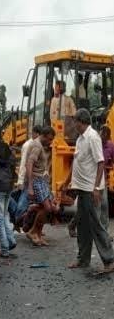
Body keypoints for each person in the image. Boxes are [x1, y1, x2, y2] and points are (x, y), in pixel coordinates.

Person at [61, 109, 114, 272]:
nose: (73, 125)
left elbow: (100, 163)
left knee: (96, 225)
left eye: (75, 121)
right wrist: (66, 181)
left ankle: (109, 261)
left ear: (81, 121)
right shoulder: (80, 139)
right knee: (83, 226)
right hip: (82, 190)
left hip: (92, 190)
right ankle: (83, 259)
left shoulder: (92, 137)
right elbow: (76, 163)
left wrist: (97, 188)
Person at [25, 126, 58, 246]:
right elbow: (29, 164)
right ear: (44, 135)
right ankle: (33, 232)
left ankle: (37, 234)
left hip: (41, 180)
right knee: (47, 208)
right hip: (36, 180)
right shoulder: (37, 146)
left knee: (49, 207)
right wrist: (30, 186)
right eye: (49, 139)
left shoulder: (40, 145)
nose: (50, 142)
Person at [0, 124, 17, 258]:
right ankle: (10, 240)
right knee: (5, 214)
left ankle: (4, 249)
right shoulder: (8, 149)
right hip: (9, 185)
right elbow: (13, 165)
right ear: (2, 133)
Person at [99, 125, 114, 230]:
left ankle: (104, 231)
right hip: (90, 177)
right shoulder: (94, 144)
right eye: (101, 135)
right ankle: (73, 224)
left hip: (102, 177)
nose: (102, 138)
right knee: (87, 206)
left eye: (105, 137)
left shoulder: (111, 146)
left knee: (104, 204)